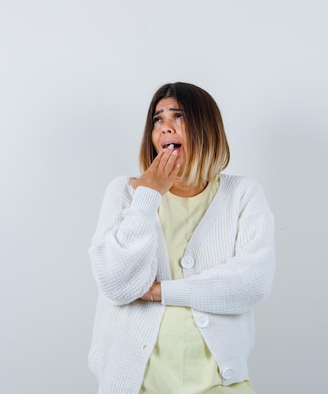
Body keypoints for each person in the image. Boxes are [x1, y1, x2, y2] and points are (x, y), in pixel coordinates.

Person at [88, 82, 276, 394]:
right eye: (157, 119)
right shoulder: (125, 192)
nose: (165, 128)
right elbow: (116, 285)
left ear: (206, 128)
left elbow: (252, 283)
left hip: (220, 384)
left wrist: (160, 291)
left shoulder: (243, 193)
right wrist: (148, 196)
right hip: (137, 386)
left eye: (179, 116)